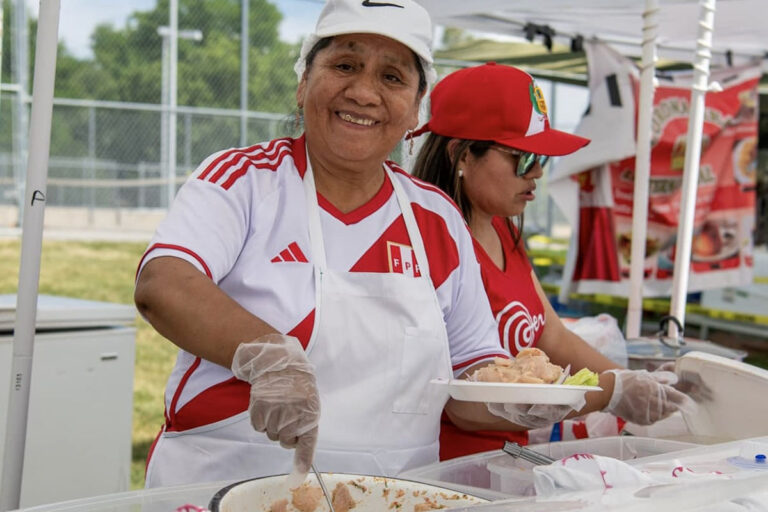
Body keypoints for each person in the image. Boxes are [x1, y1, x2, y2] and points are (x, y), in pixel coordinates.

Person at [133, 0, 521, 489]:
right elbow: (163, 282)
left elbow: (469, 381)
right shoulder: (246, 182)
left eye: (392, 78)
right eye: (344, 65)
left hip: (391, 495)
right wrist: (270, 356)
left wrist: (520, 397)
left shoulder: (437, 218)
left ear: (416, 111)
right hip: (222, 485)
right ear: (303, 84)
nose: (362, 92)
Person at [410, 63, 696, 460]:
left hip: (505, 462)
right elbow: (461, 405)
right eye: (523, 157)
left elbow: (552, 335)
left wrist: (631, 379)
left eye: (541, 157)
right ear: (461, 154)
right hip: (442, 470)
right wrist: (608, 394)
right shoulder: (427, 244)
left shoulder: (504, 230)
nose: (539, 172)